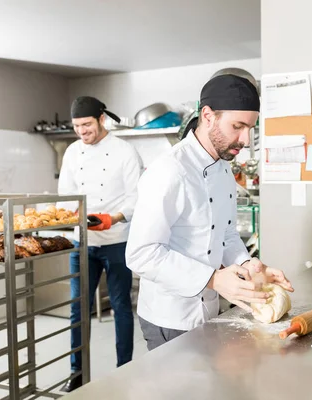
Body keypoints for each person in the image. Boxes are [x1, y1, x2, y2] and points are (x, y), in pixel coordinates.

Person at [126, 75, 293, 351]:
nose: (246, 140)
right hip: (170, 317)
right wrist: (214, 279)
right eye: (237, 126)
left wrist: (250, 266)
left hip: (210, 310)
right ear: (208, 116)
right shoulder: (169, 172)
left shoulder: (223, 169)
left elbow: (225, 232)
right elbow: (141, 254)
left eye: (251, 128)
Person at [57, 96, 143, 392]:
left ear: (101, 119)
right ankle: (77, 372)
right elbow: (65, 193)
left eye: (86, 125)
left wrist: (114, 217)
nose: (82, 131)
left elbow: (137, 196)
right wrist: (73, 216)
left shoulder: (125, 152)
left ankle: (125, 369)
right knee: (77, 308)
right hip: (82, 242)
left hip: (118, 241)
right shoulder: (71, 152)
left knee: (120, 306)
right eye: (77, 126)